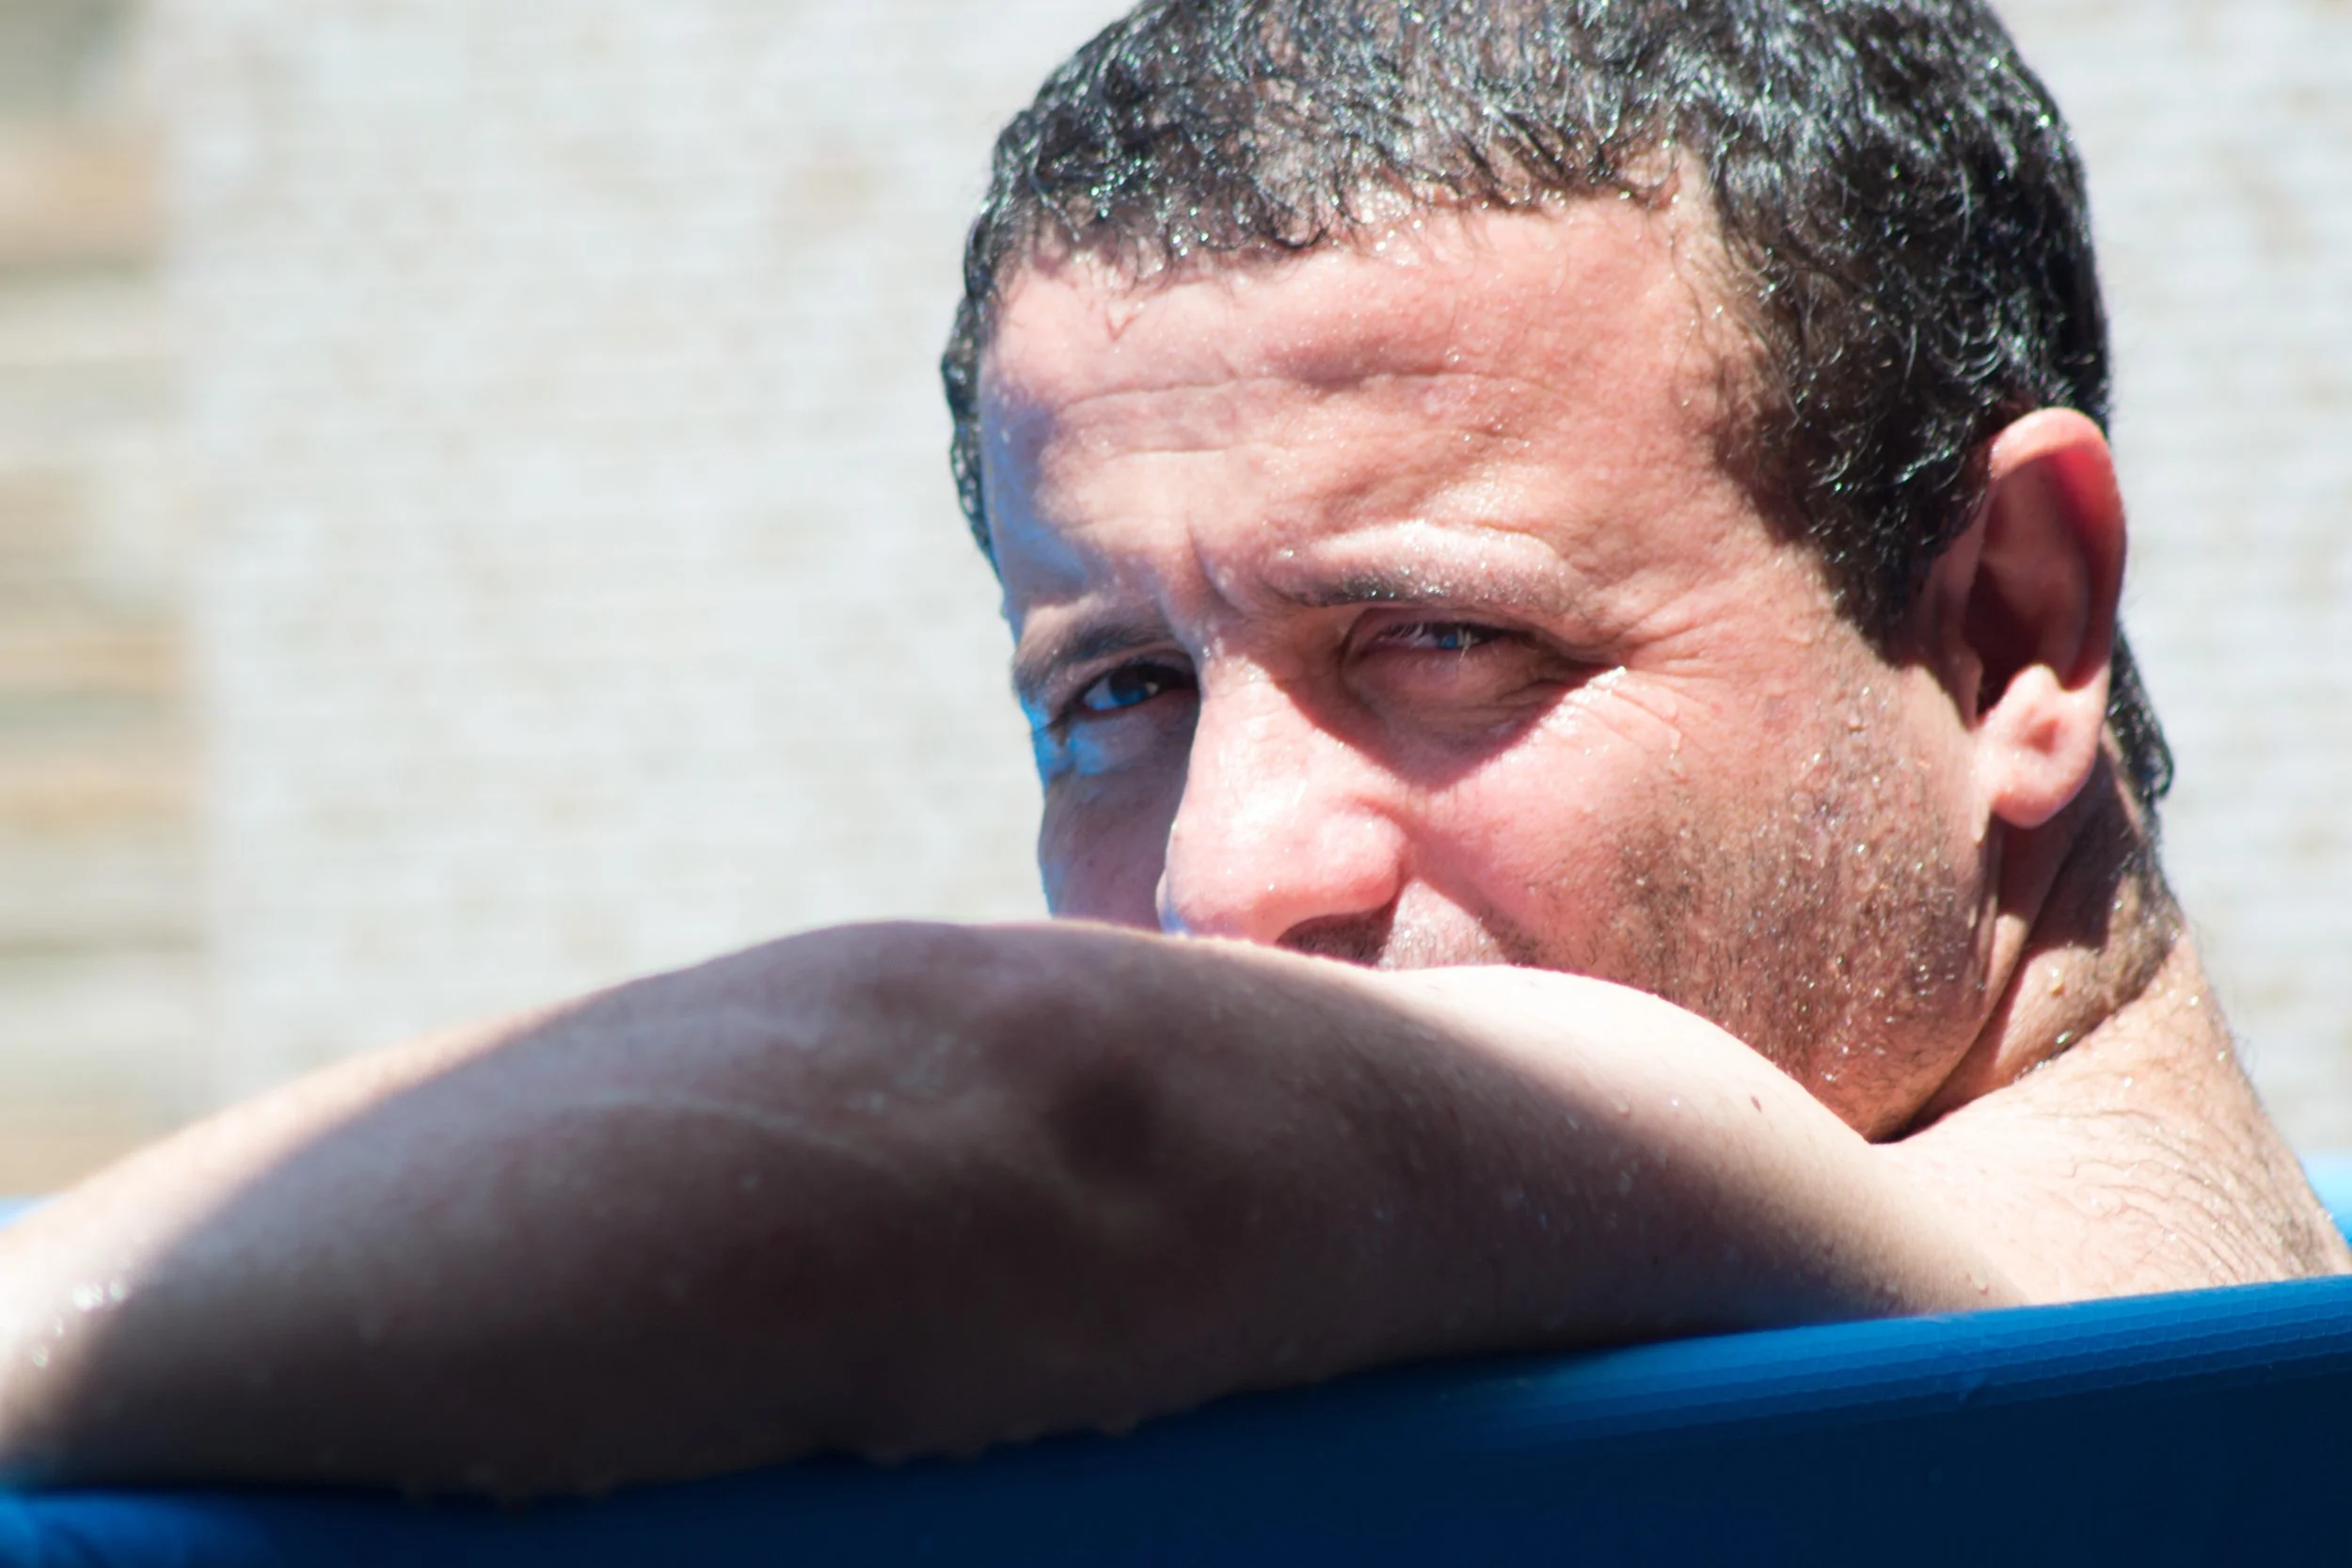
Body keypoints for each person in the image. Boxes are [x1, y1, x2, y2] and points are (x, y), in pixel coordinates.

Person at [1, 0, 2344, 1497]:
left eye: (1440, 639)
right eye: (1113, 689)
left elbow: (1026, 1105)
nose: (1223, 876)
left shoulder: (1995, 1289)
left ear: (2006, 626)